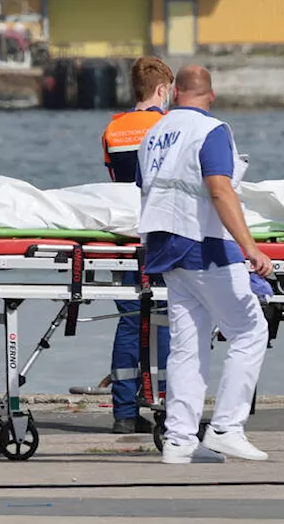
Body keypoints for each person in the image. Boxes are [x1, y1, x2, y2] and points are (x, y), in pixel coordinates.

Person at [136, 64, 274, 465]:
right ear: (211, 96)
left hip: (164, 246)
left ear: (175, 91)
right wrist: (250, 248)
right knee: (249, 330)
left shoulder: (155, 133)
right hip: (205, 245)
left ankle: (179, 441)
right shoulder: (211, 131)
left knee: (187, 344)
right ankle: (227, 428)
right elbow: (220, 190)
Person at [100, 56, 174, 435]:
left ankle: (124, 412)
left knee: (129, 320)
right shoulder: (168, 127)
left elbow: (116, 180)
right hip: (157, 233)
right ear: (162, 90)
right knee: (164, 318)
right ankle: (165, 405)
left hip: (119, 235)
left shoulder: (113, 130)